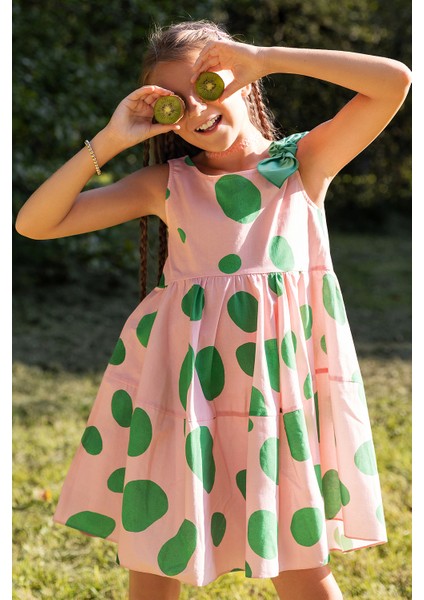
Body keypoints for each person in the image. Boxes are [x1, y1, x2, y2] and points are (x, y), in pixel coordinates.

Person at [15, 19, 411, 600]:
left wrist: (264, 57)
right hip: (185, 398)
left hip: (275, 397)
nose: (196, 111)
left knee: (300, 562)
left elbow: (394, 82)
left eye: (207, 85)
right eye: (175, 103)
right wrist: (112, 139)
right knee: (156, 555)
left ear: (242, 81)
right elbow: (35, 222)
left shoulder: (301, 164)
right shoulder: (165, 184)